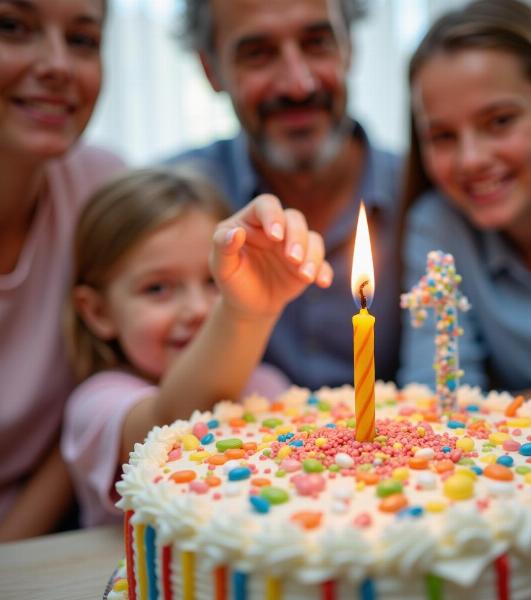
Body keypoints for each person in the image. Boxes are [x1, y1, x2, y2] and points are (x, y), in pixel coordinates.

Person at [60, 167, 332, 526]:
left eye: (213, 280)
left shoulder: (267, 386)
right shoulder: (97, 405)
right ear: (97, 311)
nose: (199, 309)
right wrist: (242, 313)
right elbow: (170, 428)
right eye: (158, 288)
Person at [168, 0, 403, 390]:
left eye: (317, 43)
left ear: (350, 48)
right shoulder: (171, 203)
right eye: (258, 54)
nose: (299, 85)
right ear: (211, 70)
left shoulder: (429, 189)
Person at [397, 0, 531, 429]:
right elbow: (432, 403)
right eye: (443, 136)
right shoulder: (437, 227)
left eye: (500, 121)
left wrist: (498, 408)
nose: (471, 160)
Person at [0, 0, 125, 540]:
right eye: (12, 28)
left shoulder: (101, 188)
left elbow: (95, 386)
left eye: (82, 40)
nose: (58, 66)